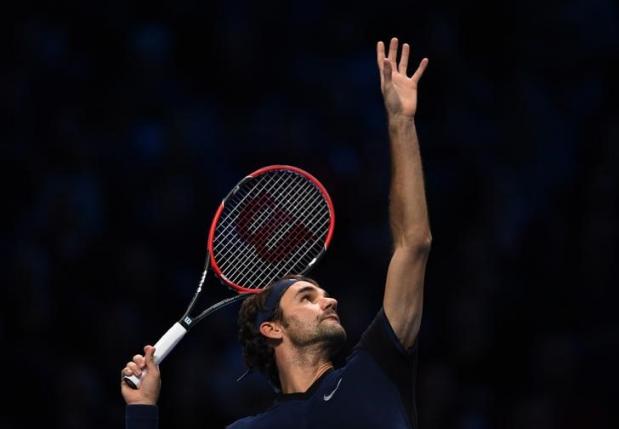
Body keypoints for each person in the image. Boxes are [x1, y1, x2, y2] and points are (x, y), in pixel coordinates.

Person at [121, 37, 431, 429]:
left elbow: (413, 243)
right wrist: (142, 409)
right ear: (272, 328)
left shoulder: (377, 367)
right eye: (308, 297)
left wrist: (400, 122)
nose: (330, 300)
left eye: (320, 294)